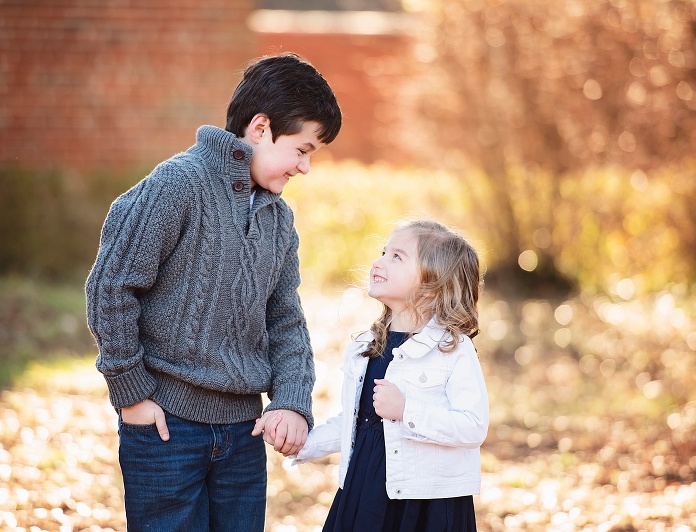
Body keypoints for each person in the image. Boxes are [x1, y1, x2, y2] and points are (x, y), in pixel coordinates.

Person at [84, 52, 341, 532]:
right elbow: (110, 288)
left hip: (244, 435)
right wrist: (132, 395)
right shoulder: (178, 185)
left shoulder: (279, 221)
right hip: (166, 428)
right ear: (261, 128)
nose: (305, 167)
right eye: (302, 149)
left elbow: (285, 319)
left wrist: (290, 399)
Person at [292, 220, 489, 531]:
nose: (378, 262)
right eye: (383, 252)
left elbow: (473, 427)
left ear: (432, 284)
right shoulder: (365, 349)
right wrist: (301, 444)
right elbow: (352, 422)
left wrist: (406, 410)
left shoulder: (453, 349)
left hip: (428, 503)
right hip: (364, 491)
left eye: (397, 256)